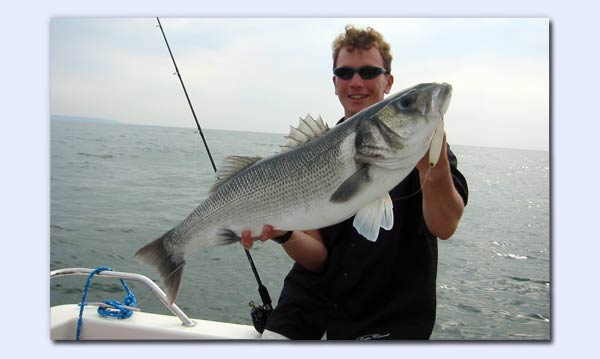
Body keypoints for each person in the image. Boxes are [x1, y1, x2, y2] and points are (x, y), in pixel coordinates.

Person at [240, 25, 469, 340]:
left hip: (387, 317)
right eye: (345, 73)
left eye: (369, 71)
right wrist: (283, 233)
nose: (356, 82)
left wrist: (434, 164)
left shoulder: (429, 156)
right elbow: (317, 258)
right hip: (305, 308)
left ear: (388, 81)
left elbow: (445, 226)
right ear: (335, 83)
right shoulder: (311, 155)